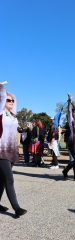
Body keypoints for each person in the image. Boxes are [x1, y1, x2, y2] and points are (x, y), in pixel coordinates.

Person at [0, 82, 27, 218]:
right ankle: (17, 208)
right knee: (9, 179)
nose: (11, 102)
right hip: (1, 151)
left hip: (11, 151)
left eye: (12, 101)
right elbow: (1, 98)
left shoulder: (13, 116)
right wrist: (2, 89)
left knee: (2, 180)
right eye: (8, 100)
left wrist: (11, 96)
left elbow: (14, 99)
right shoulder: (0, 113)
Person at [62, 94, 75, 181]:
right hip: (72, 142)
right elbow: (69, 110)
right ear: (73, 113)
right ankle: (65, 170)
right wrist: (70, 101)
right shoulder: (71, 121)